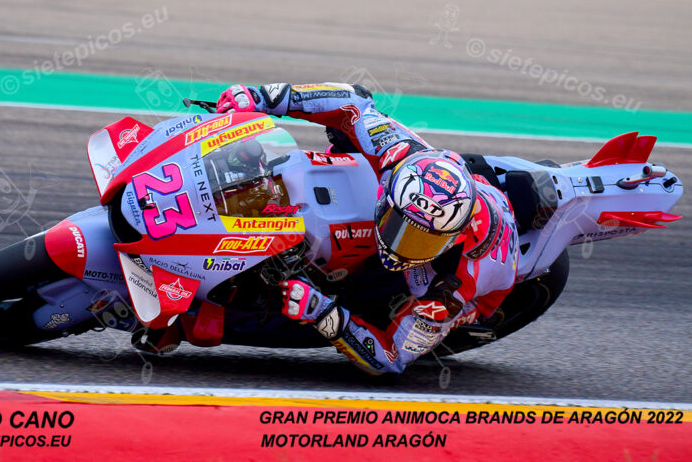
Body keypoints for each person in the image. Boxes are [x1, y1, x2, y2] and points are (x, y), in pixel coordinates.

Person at [216, 83, 519, 375]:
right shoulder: (400, 154)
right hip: (469, 186)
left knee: (348, 299)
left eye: (420, 241)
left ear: (451, 240)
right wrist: (262, 98)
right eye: (399, 225)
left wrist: (324, 314)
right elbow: (353, 101)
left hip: (444, 282)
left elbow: (392, 359)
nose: (400, 244)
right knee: (343, 133)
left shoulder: (451, 290)